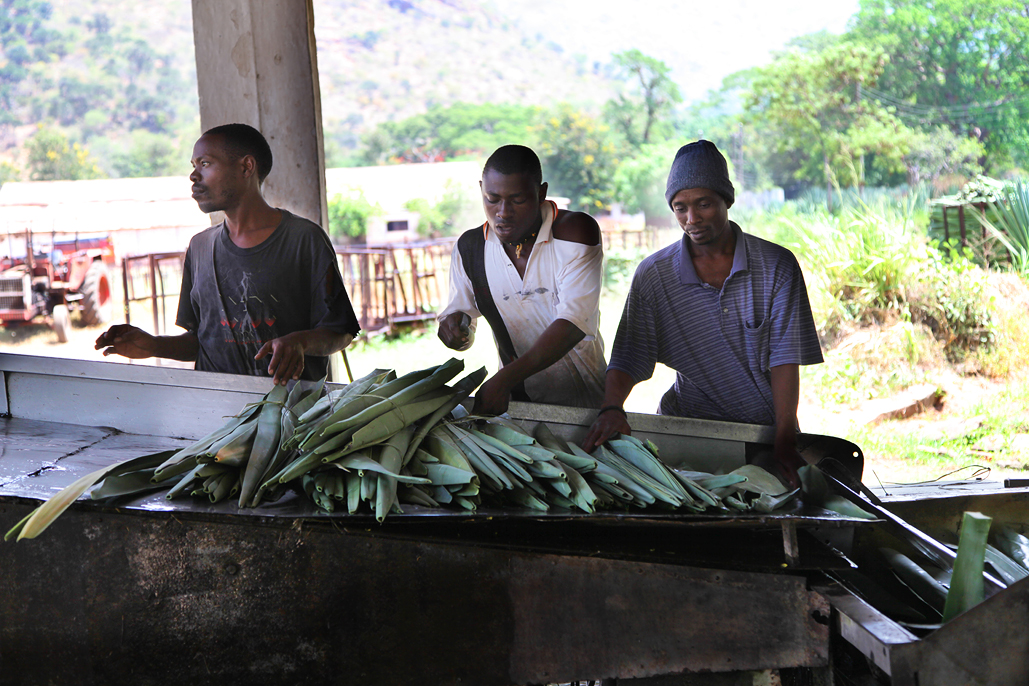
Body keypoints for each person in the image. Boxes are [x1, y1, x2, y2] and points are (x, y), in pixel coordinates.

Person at [583, 140, 823, 487]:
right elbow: (629, 356)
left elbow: (785, 359)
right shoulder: (654, 276)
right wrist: (611, 408)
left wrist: (784, 437)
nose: (691, 219)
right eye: (680, 208)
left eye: (704, 204)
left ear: (727, 200)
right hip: (687, 428)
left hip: (764, 433)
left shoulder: (776, 267)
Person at [95, 123, 360, 385]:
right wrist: (154, 345)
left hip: (291, 408)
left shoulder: (303, 240)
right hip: (216, 407)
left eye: (205, 163)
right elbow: (201, 342)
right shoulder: (200, 247)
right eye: (193, 165)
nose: (194, 176)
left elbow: (340, 332)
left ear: (246, 167)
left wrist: (300, 342)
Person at [437, 144, 607, 415]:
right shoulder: (470, 249)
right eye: (492, 199)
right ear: (481, 189)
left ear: (541, 193)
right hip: (517, 404)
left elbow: (573, 324)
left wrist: (504, 379)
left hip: (586, 406)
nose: (503, 212)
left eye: (517, 200)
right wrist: (456, 331)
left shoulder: (575, 233)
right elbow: (462, 317)